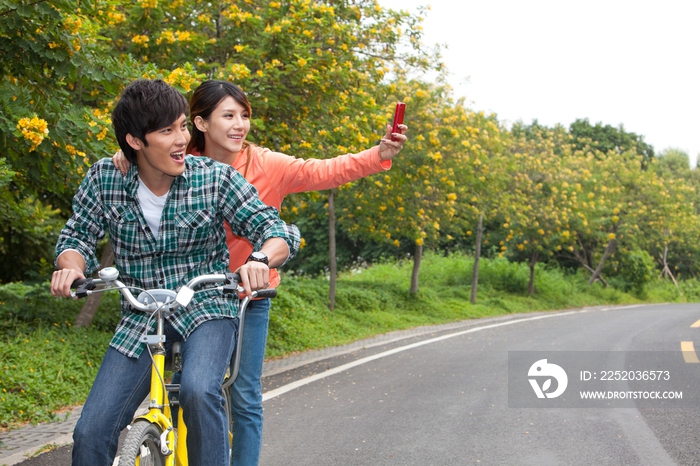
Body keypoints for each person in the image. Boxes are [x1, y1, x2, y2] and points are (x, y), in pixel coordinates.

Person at [112, 80, 408, 465]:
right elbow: (143, 159)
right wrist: (126, 158)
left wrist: (378, 153)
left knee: (244, 393)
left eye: (245, 116)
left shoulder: (268, 164)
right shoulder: (180, 161)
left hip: (248, 297)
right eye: (229, 116)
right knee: (184, 389)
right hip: (188, 297)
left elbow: (326, 171)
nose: (240, 125)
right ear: (199, 123)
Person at [51, 79, 300, 466]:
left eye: (183, 125)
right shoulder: (105, 179)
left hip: (206, 309)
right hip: (142, 315)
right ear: (135, 141)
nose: (182, 138)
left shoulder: (213, 178)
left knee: (201, 391)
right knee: (90, 431)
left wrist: (260, 260)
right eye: (167, 130)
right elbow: (76, 237)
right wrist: (70, 269)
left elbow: (276, 229)